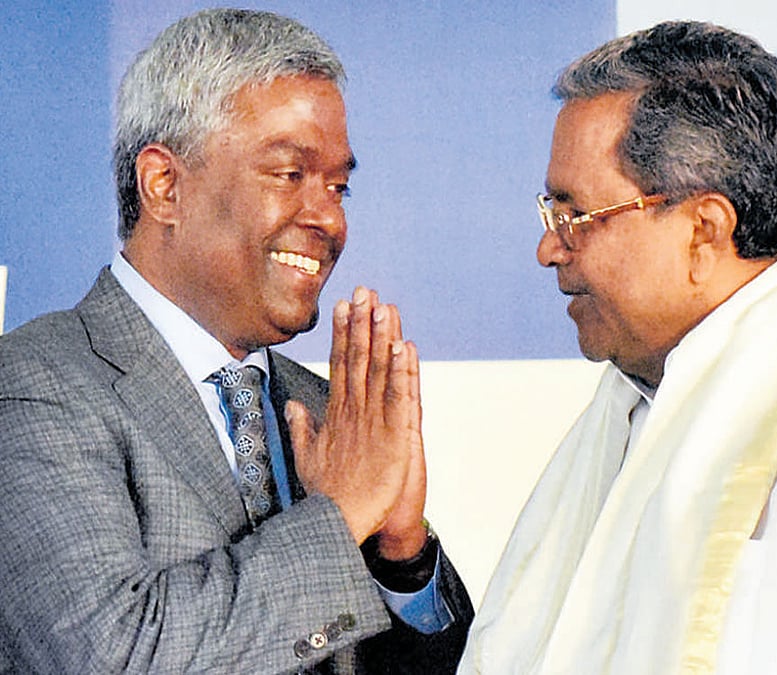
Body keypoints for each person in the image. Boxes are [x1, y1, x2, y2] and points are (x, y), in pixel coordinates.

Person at [0, 9, 472, 673]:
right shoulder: (32, 386)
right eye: (290, 174)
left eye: (338, 185)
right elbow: (110, 657)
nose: (328, 217)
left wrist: (402, 553)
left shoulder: (330, 414)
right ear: (164, 185)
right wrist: (339, 518)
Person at [460, 20, 777, 674]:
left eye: (574, 216)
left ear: (703, 229)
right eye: (550, 215)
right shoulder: (626, 411)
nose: (549, 249)